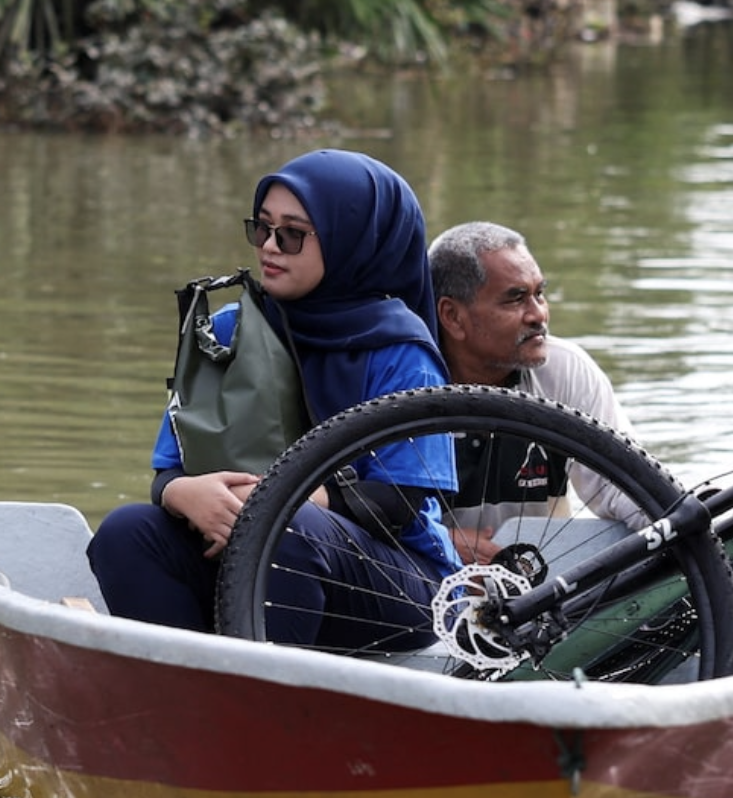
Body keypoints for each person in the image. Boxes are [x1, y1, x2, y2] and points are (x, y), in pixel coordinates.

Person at [87, 150, 457, 649]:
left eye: (292, 234)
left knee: (290, 529)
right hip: (238, 554)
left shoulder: (401, 353)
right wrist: (184, 496)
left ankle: (254, 704)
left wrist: (267, 504)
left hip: (390, 586)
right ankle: (181, 692)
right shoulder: (225, 332)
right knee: (127, 531)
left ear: (353, 242)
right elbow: (169, 472)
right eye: (261, 228)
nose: (269, 247)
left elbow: (399, 504)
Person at [427, 220, 643, 560]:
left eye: (539, 294)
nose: (538, 314)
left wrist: (688, 521)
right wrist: (435, 541)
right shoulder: (407, 384)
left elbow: (623, 487)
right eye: (515, 299)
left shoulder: (564, 369)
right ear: (452, 316)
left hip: (540, 585)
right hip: (420, 581)